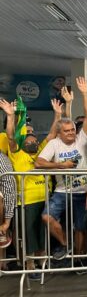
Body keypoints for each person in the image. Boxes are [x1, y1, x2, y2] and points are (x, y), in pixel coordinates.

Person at [0, 98, 62, 279]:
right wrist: (10, 116)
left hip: (44, 198)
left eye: (34, 137)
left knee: (43, 234)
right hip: (26, 202)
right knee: (29, 235)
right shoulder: (16, 152)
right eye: (28, 137)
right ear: (23, 141)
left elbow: (51, 135)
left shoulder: (42, 151)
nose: (32, 140)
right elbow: (11, 136)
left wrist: (58, 114)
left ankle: (42, 261)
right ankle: (29, 264)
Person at [36, 76, 87, 260]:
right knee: (46, 217)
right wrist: (61, 165)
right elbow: (39, 162)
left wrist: (84, 94)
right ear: (59, 133)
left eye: (72, 130)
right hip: (62, 191)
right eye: (67, 131)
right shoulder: (53, 143)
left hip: (83, 190)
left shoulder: (81, 139)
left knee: (81, 227)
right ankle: (65, 244)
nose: (71, 133)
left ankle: (79, 258)